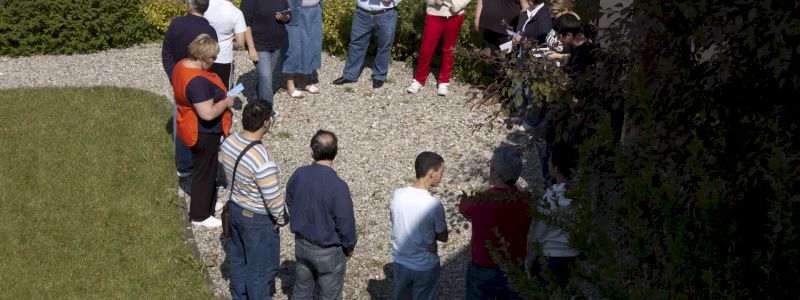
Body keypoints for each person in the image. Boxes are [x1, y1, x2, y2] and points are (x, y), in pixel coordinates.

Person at [219, 100, 287, 299]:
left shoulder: (229, 142)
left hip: (235, 211)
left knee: (239, 261)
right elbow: (273, 199)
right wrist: (280, 221)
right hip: (257, 220)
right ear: (265, 123)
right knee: (260, 272)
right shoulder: (263, 159)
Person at [172, 34, 235, 228]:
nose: (214, 62)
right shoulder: (197, 82)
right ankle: (200, 215)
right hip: (203, 132)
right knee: (205, 173)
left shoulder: (182, 65)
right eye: (212, 58)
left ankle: (207, 203)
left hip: (190, 125)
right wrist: (226, 101)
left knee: (205, 170)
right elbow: (207, 114)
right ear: (200, 57)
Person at [286, 130, 357, 300]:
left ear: (312, 151)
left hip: (302, 243)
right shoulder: (338, 186)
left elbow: (289, 200)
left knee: (301, 289)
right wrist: (349, 246)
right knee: (330, 295)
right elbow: (345, 221)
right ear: (336, 151)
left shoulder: (299, 174)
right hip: (329, 250)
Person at [458, 146, 531, 299]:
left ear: (496, 172)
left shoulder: (481, 200)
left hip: (484, 269)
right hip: (515, 266)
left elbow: (463, 209)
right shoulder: (526, 200)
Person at [161, 0, 218, 184]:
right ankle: (193, 160)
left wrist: (173, 76)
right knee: (197, 121)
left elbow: (166, 53)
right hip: (196, 82)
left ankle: (184, 164)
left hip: (179, 78)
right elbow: (209, 62)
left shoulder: (176, 23)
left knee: (180, 119)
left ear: (190, 4)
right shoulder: (209, 31)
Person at [391, 151, 449, 300]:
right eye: (441, 172)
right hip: (424, 265)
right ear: (431, 173)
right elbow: (443, 236)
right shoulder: (434, 205)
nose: (441, 176)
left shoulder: (397, 195)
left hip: (400, 262)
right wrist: (433, 238)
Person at [526, 143, 580, 288]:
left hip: (551, 256)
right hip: (572, 256)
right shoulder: (581, 196)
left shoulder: (551, 198)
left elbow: (538, 233)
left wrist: (529, 260)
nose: (548, 162)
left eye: (550, 160)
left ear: (556, 168)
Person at [406, 0, 472, 96]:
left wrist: (457, 4)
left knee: (449, 50)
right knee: (426, 49)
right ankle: (419, 80)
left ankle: (444, 81)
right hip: (434, 13)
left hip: (455, 15)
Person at [331, 0, 402, 89]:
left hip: (386, 13)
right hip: (362, 13)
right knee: (356, 44)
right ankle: (350, 75)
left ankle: (379, 76)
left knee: (384, 46)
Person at [240, 0, 291, 103]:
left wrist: (284, 17)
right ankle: (267, 112)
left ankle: (259, 101)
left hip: (277, 43)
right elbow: (245, 23)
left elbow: (289, 15)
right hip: (258, 44)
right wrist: (251, 48)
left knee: (266, 78)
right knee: (267, 78)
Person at [282, 0, 323, 99]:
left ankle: (303, 82)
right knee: (292, 48)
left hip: (314, 10)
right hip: (293, 11)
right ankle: (290, 85)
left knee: (310, 47)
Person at [205, 0, 247, 89]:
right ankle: (236, 93)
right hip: (223, 58)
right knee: (225, 90)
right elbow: (240, 43)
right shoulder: (237, 13)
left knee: (206, 87)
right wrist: (231, 43)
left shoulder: (206, 4)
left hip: (203, 55)